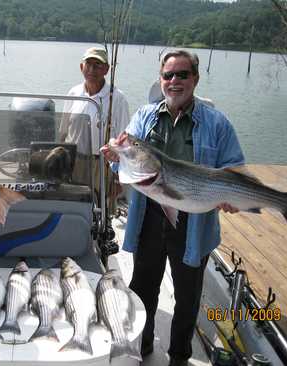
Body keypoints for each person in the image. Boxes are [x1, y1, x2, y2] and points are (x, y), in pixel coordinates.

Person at [101, 50, 244, 366]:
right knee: (143, 289)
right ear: (160, 80)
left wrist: (230, 196)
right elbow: (128, 165)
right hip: (149, 217)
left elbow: (235, 167)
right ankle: (142, 346)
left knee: (187, 297)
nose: (174, 81)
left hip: (195, 223)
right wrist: (116, 159)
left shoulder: (217, 123)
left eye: (182, 74)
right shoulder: (144, 116)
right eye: (168, 75)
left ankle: (179, 356)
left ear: (195, 78)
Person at [60, 46, 130, 203]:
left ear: (106, 69)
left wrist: (118, 179)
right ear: (81, 67)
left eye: (98, 65)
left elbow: (125, 142)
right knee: (74, 206)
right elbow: (63, 133)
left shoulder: (118, 98)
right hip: (74, 162)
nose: (92, 69)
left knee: (101, 210)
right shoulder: (73, 93)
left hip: (104, 165)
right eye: (88, 64)